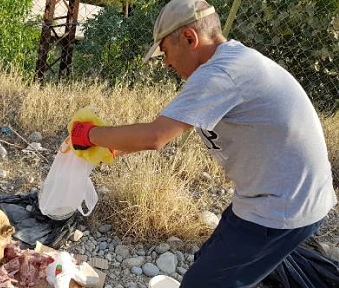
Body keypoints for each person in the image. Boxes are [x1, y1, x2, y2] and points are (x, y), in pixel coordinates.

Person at [69, 0, 338, 286]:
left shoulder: (221, 73)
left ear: (189, 38)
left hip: (282, 207)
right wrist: (110, 149)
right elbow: (173, 130)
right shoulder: (231, 62)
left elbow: (155, 136)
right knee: (215, 261)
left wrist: (88, 135)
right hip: (279, 198)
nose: (167, 64)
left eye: (166, 53)